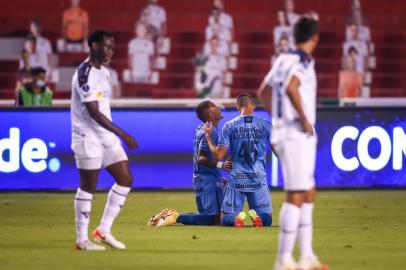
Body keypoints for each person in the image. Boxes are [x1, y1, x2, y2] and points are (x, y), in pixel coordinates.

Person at [257, 15, 327, 270]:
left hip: (289, 132)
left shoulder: (282, 58)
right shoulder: (302, 61)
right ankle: (284, 259)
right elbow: (290, 86)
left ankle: (307, 256)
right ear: (315, 38)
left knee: (308, 191)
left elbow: (263, 90)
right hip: (295, 134)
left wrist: (278, 118)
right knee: (296, 194)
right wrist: (302, 119)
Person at [71, 30, 138, 251]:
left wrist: (115, 134)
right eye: (107, 46)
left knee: (125, 178)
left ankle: (103, 230)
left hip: (105, 136)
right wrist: (123, 134)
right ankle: (82, 240)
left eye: (112, 47)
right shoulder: (84, 73)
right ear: (94, 46)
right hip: (87, 136)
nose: (111, 51)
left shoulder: (105, 73)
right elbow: (94, 113)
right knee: (88, 186)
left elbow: (104, 110)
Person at [147, 100, 233, 227]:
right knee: (214, 220)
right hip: (208, 181)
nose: (219, 108)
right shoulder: (211, 132)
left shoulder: (201, 128)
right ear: (210, 114)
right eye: (215, 107)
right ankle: (176, 217)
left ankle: (168, 215)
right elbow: (201, 158)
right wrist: (221, 165)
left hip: (201, 179)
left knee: (207, 216)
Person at [204, 93, 273, 228]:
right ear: (253, 106)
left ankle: (237, 218)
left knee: (225, 218)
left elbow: (218, 155)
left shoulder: (229, 126)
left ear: (237, 107)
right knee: (267, 218)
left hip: (237, 179)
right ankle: (257, 217)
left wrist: (208, 137)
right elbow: (278, 151)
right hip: (258, 178)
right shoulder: (266, 125)